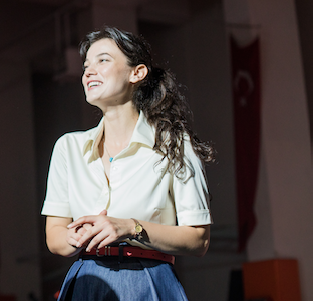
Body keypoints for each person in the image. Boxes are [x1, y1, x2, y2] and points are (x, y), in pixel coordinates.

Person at [42, 26, 214, 300]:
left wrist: (130, 227)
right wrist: (71, 240)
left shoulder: (173, 143)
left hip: (147, 278)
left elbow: (199, 239)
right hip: (85, 277)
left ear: (137, 73)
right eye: (86, 65)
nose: (88, 71)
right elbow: (54, 235)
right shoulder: (68, 147)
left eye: (103, 60)